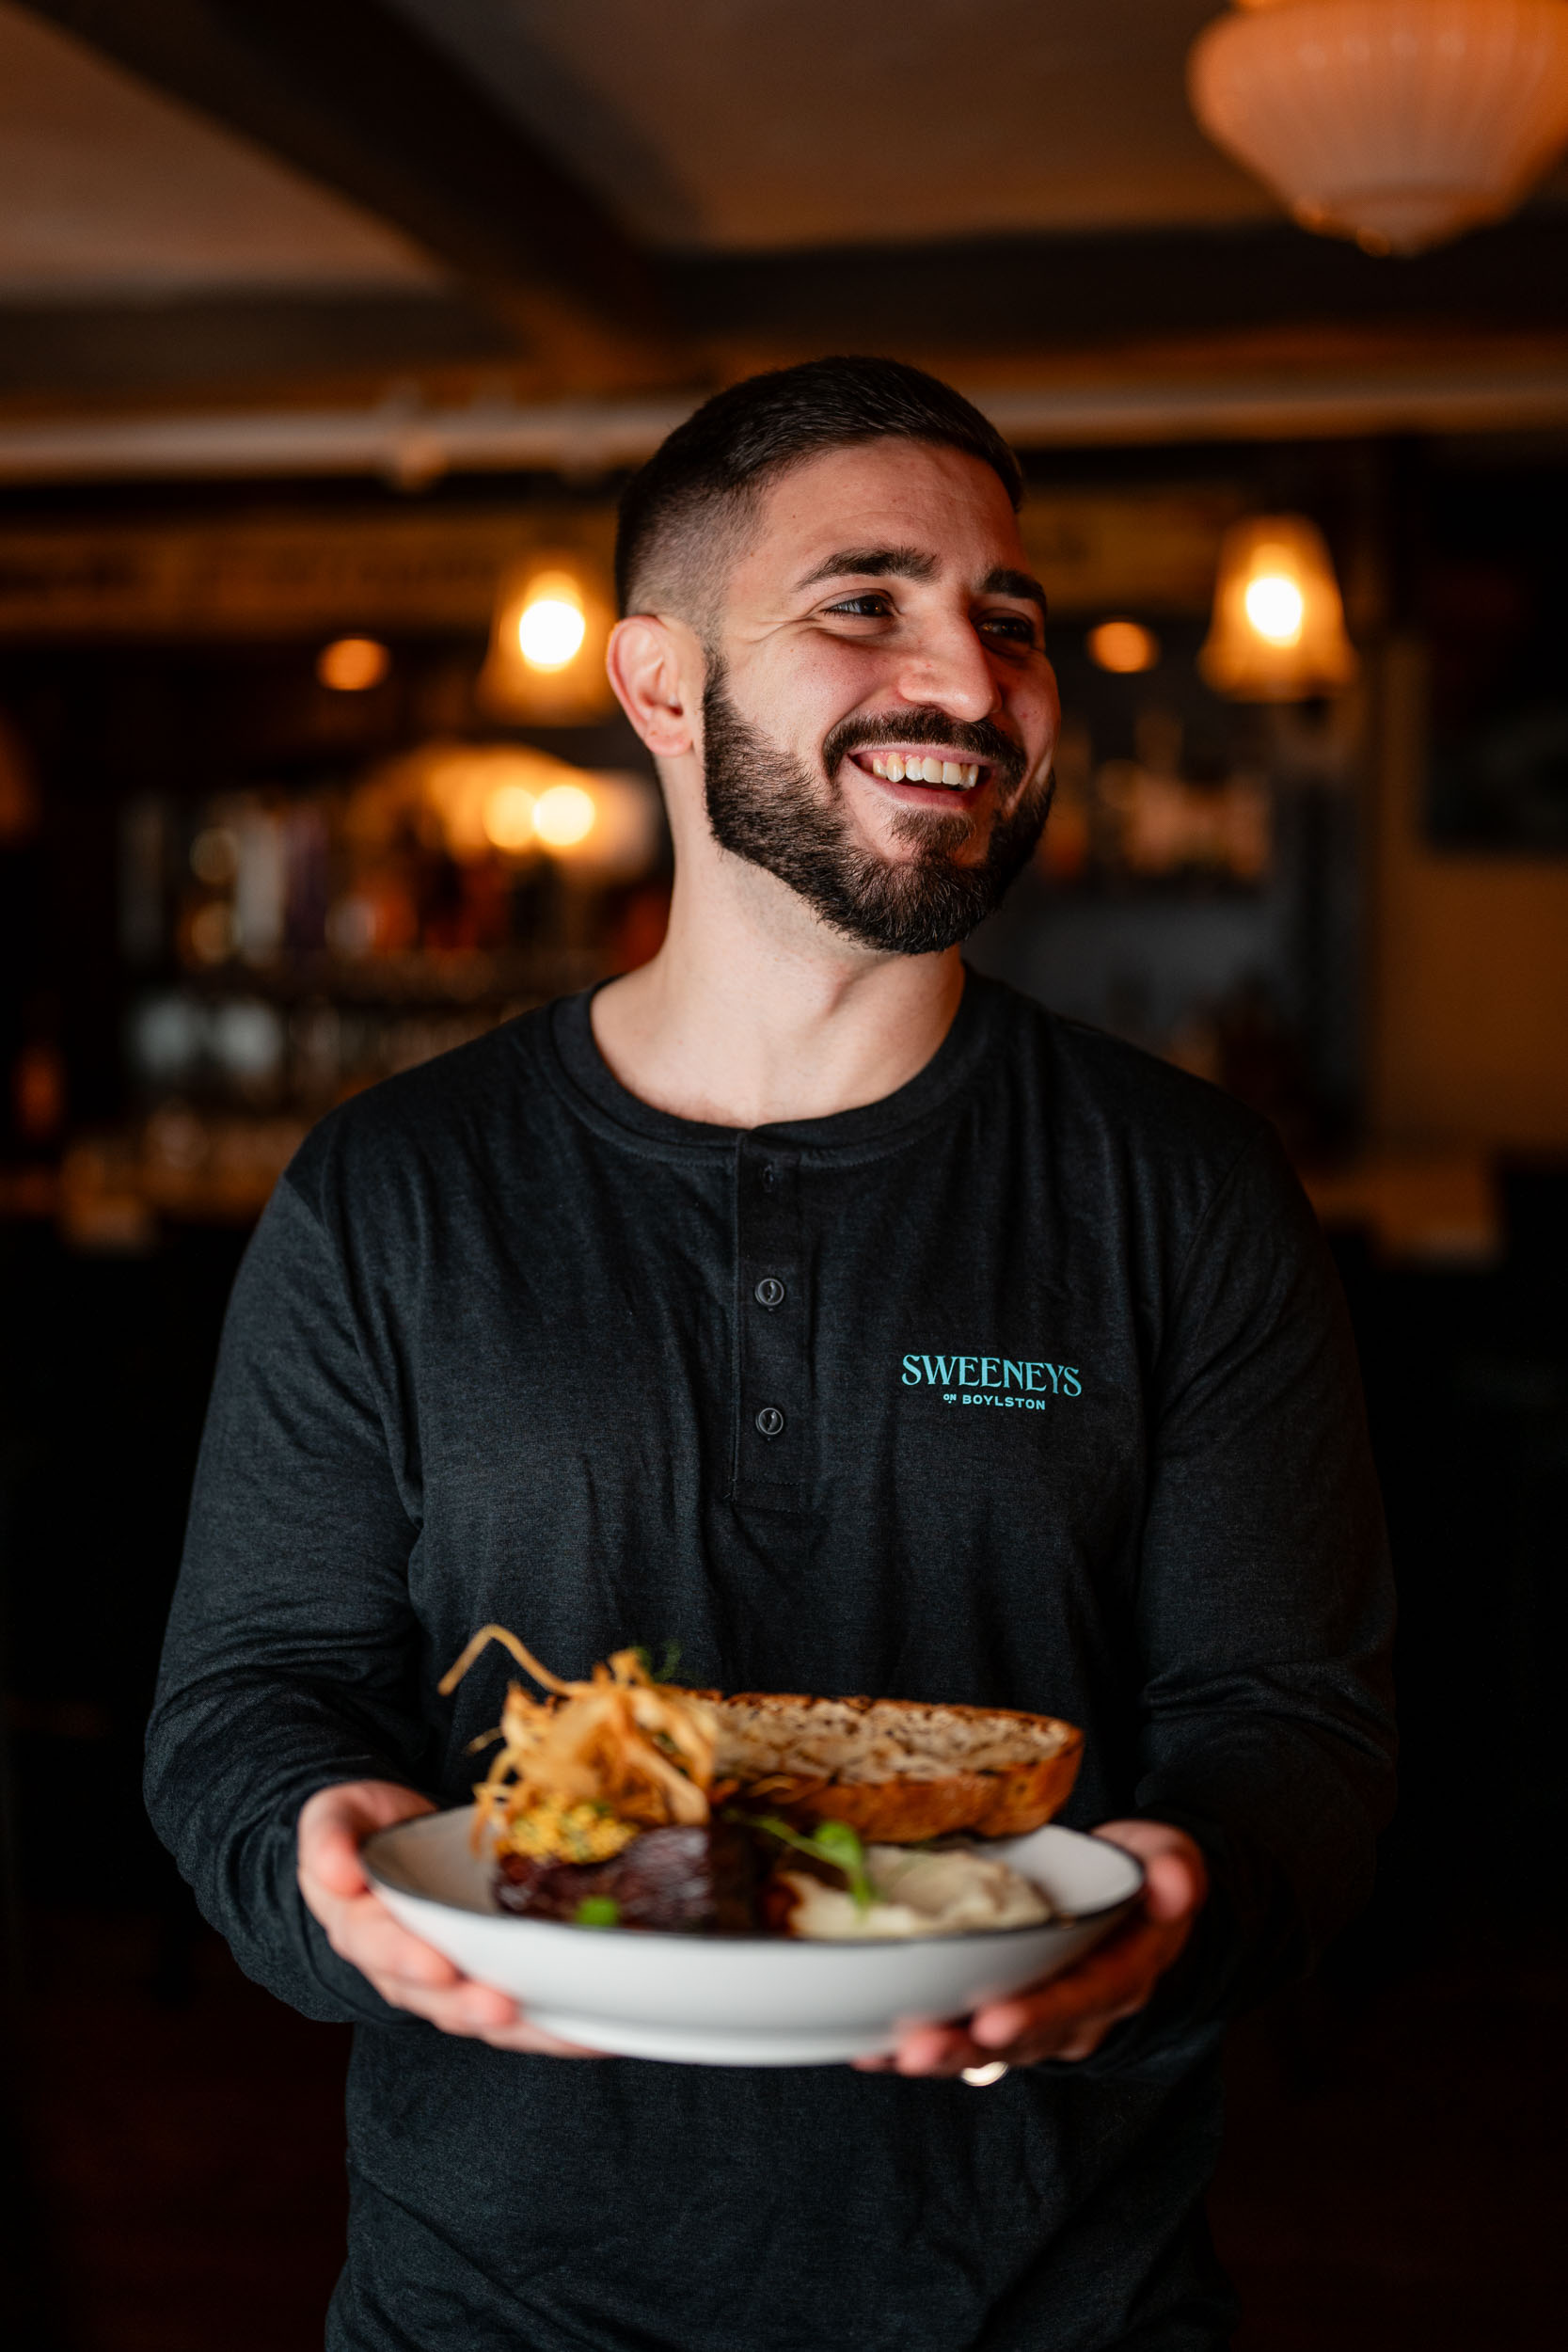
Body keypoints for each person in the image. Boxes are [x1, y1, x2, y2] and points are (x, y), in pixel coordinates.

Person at [146, 357, 1395, 2352]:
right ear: (658, 680)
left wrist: (1182, 1896)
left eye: (1010, 620)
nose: (974, 687)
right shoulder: (392, 1190)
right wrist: (317, 1863)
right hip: (494, 2304)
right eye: (863, 604)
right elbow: (248, 1699)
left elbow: (1294, 1721)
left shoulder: (1188, 1187)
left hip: (1060, 2305)